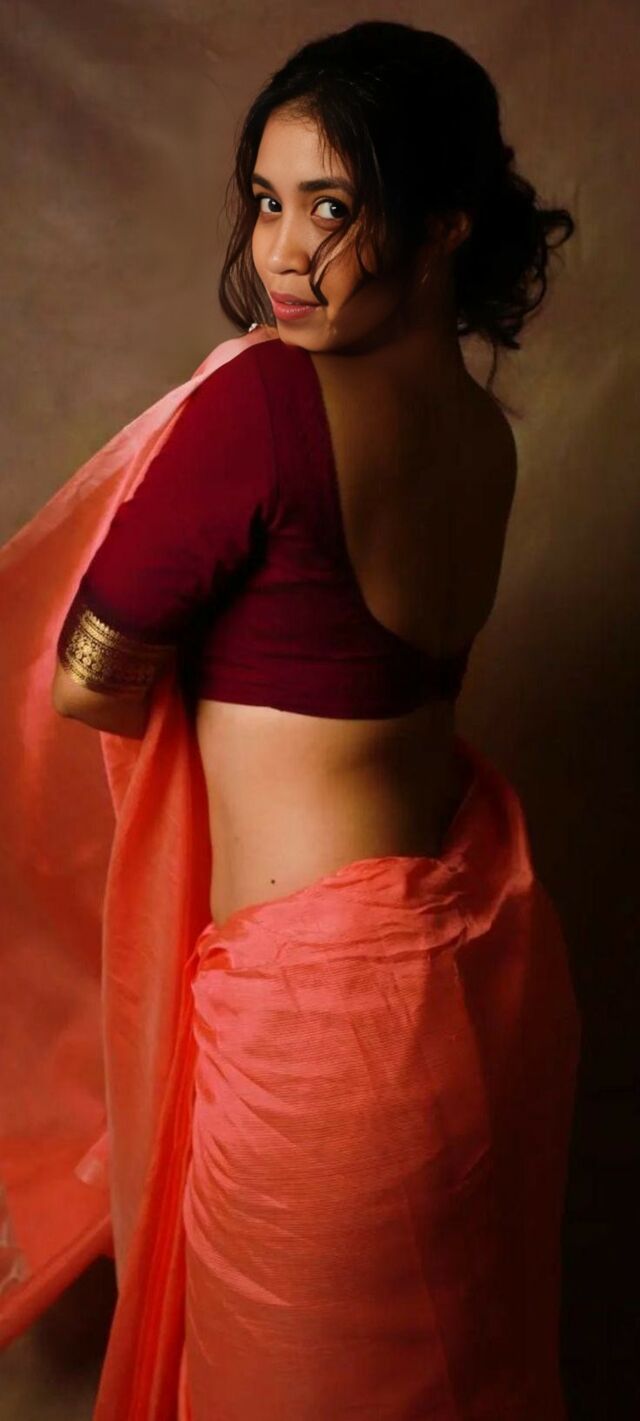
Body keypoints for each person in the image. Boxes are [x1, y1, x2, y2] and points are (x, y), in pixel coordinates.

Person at [0, 20, 581, 1421]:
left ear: (441, 223)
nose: (283, 253)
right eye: (268, 201)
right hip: (474, 982)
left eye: (333, 208)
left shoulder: (265, 402)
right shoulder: (486, 435)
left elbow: (87, 679)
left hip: (322, 1047)